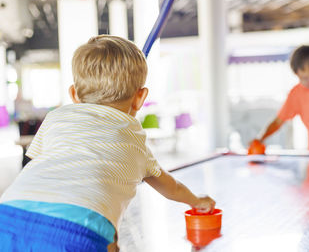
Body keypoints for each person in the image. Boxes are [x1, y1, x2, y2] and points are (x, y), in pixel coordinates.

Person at [0, 35, 215, 252]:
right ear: (140, 98)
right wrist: (196, 201)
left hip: (8, 214)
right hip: (76, 230)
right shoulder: (132, 137)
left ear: (74, 93)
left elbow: (48, 169)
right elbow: (171, 187)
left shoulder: (57, 117)